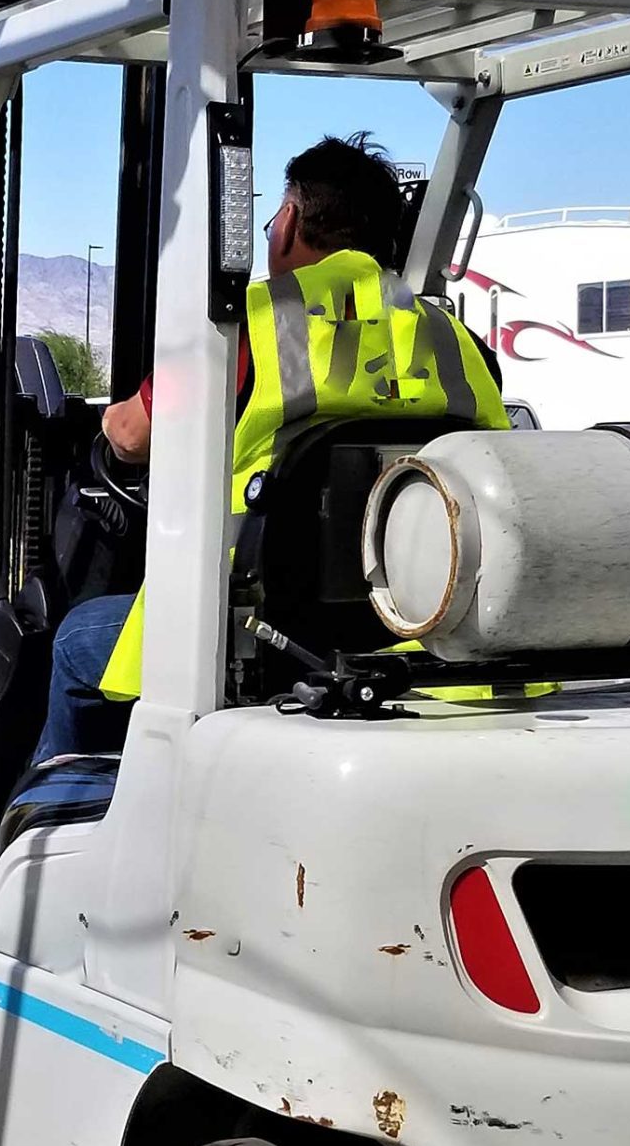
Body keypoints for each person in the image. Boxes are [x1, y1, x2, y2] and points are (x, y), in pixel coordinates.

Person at [32, 132, 509, 764]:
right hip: (418, 629)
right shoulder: (456, 341)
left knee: (76, 640)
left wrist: (105, 422)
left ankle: (69, 806)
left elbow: (129, 435)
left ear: (287, 223)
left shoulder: (248, 324)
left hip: (263, 632)